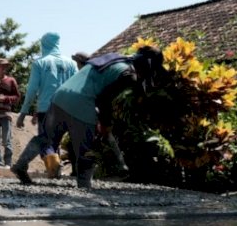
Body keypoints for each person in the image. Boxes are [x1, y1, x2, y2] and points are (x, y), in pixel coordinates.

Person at [42, 46, 165, 188]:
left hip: (60, 98)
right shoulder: (128, 74)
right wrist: (105, 122)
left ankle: (26, 165)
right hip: (83, 103)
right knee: (86, 145)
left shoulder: (112, 61)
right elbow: (104, 99)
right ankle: (84, 185)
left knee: (50, 139)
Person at [11, 32, 77, 183]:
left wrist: (23, 111)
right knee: (53, 141)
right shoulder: (71, 64)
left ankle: (21, 166)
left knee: (44, 140)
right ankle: (55, 172)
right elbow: (77, 87)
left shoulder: (39, 63)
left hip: (46, 109)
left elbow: (32, 89)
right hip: (67, 109)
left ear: (44, 44)